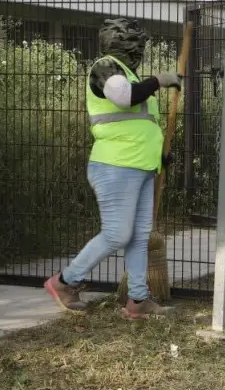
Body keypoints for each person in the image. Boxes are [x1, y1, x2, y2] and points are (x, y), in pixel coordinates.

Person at [44, 18, 182, 318]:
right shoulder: (104, 67)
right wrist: (158, 80)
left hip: (142, 166)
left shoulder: (128, 73)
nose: (139, 48)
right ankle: (65, 281)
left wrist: (160, 155)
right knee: (118, 234)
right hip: (115, 166)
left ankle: (137, 300)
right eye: (136, 42)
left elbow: (137, 124)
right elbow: (123, 99)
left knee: (138, 236)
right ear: (123, 43)